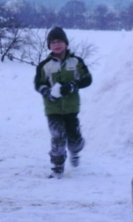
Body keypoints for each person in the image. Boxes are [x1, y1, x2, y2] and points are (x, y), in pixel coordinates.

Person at [34, 26, 92, 179]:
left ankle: (75, 150)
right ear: (49, 46)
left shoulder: (76, 62)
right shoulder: (44, 65)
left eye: (59, 41)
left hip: (71, 108)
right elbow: (38, 84)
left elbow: (87, 79)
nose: (56, 44)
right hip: (53, 109)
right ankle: (57, 167)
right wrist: (46, 92)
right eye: (52, 42)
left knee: (74, 139)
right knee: (58, 136)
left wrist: (73, 85)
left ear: (66, 43)